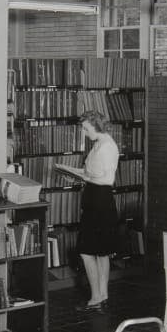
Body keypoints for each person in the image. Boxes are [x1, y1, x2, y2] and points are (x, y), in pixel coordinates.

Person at [56, 110, 119, 311]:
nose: (83, 132)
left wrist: (84, 177)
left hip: (100, 201)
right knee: (100, 252)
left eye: (85, 128)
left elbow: (106, 179)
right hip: (95, 200)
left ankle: (96, 297)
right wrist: (71, 171)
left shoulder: (107, 147)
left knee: (87, 251)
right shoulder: (98, 145)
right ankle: (102, 296)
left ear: (96, 125)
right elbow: (91, 172)